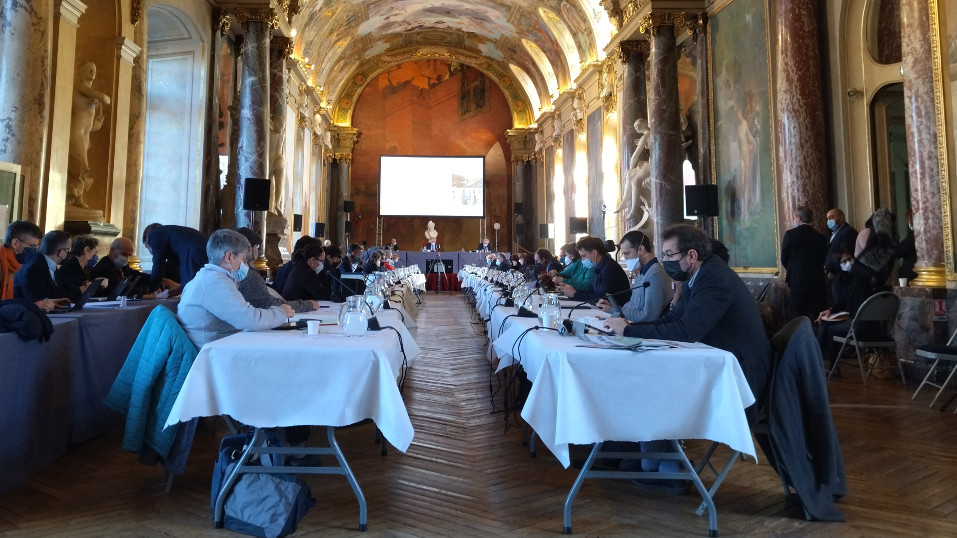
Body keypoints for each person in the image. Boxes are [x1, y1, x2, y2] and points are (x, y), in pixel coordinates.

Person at [604, 224, 771, 424]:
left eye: (669, 255)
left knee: (652, 388)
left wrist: (630, 331)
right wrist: (630, 328)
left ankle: (657, 450)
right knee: (648, 383)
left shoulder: (713, 277)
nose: (665, 262)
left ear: (691, 255)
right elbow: (674, 318)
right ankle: (647, 449)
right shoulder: (699, 275)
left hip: (740, 374)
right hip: (722, 362)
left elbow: (687, 330)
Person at [176, 229, 292, 348]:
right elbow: (249, 319)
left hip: (215, 346)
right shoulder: (215, 281)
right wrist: (280, 313)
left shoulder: (208, 277)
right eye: (244, 260)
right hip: (210, 354)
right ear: (229, 257)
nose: (246, 265)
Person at [815, 249, 886, 372]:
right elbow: (847, 302)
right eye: (844, 261)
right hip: (875, 326)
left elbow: (850, 303)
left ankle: (828, 367)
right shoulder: (861, 276)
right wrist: (831, 310)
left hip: (861, 326)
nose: (849, 263)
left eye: (850, 259)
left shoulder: (858, 279)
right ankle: (823, 364)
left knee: (829, 329)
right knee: (826, 324)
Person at [233, 227, 316, 313]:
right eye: (257, 246)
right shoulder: (246, 273)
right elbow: (269, 304)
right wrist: (307, 305)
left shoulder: (227, 271)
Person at [596, 230, 672, 322]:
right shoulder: (643, 271)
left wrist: (614, 311)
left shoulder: (654, 274)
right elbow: (633, 307)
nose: (625, 258)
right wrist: (613, 308)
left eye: (627, 253)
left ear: (641, 249)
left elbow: (648, 317)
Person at [68, 61, 111, 209]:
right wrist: (99, 98)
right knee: (80, 167)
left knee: (80, 169)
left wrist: (95, 127)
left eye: (94, 69)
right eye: (88, 69)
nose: (92, 71)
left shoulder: (89, 92)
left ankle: (75, 198)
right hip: (76, 132)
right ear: (80, 72)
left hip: (86, 134)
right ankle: (73, 198)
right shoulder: (80, 87)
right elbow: (106, 98)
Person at [781, 205, 827, 320]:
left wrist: (794, 269)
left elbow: (784, 258)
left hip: (797, 281)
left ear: (798, 219)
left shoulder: (790, 235)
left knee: (799, 317)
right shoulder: (821, 237)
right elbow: (824, 258)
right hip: (817, 281)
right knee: (817, 316)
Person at [559, 236, 631, 305]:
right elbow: (591, 290)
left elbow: (602, 299)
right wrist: (568, 290)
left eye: (583, 256)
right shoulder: (598, 267)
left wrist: (575, 294)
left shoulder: (610, 269)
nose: (582, 260)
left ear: (594, 253)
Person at [142, 223, 208, 291]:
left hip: (193, 252)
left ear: (147, 237)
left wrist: (152, 289)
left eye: (146, 246)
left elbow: (158, 264)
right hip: (206, 248)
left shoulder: (153, 235)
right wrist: (180, 288)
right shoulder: (171, 234)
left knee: (191, 291)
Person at [13, 230, 72, 301]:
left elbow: (59, 291)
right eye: (68, 250)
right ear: (61, 252)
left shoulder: (50, 264)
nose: (68, 253)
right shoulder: (34, 268)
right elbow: (38, 300)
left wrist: (80, 290)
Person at [56, 235, 106, 303]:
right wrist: (99, 283)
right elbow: (82, 291)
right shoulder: (71, 267)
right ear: (86, 250)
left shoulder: (76, 265)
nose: (95, 256)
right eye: (95, 252)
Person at [1, 220, 42, 300]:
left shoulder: (10, 264)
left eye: (36, 247)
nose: (34, 251)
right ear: (15, 243)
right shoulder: (2, 263)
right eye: (32, 246)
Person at [824, 208, 858, 304]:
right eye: (827, 218)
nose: (829, 221)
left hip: (842, 278)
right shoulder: (832, 234)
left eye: (832, 217)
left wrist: (830, 269)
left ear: (841, 217)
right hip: (834, 278)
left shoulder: (848, 232)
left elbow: (843, 254)